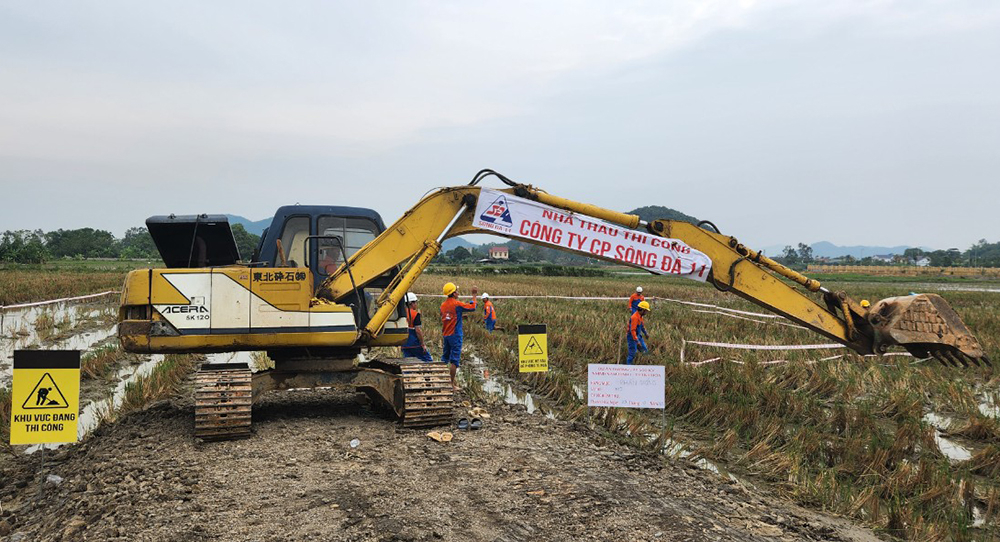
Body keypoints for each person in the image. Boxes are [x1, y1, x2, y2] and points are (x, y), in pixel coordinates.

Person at [440, 281, 477, 390]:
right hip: (455, 335)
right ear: (453, 293)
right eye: (456, 291)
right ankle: (451, 384)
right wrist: (474, 295)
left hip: (446, 334)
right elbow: (472, 307)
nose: (458, 292)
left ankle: (440, 379)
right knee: (454, 360)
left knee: (445, 358)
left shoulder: (442, 305)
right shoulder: (456, 304)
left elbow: (447, 316)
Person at [401, 292, 433, 361]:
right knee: (428, 360)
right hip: (415, 343)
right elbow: (418, 330)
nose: (416, 304)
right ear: (411, 303)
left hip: (404, 344)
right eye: (415, 302)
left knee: (408, 364)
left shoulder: (402, 313)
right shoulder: (415, 314)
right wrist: (422, 344)